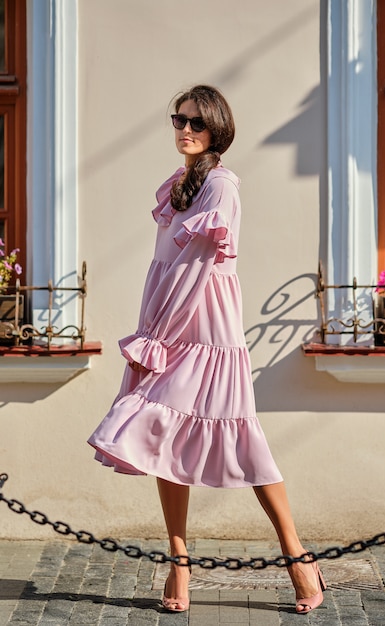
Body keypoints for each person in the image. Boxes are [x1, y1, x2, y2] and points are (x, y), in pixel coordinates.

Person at [88, 85, 326, 615]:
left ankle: (297, 556)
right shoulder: (179, 184)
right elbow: (165, 269)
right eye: (178, 120)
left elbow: (195, 270)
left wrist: (157, 336)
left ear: (217, 128)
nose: (185, 130)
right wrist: (152, 327)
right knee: (162, 435)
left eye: (195, 122)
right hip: (169, 322)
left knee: (242, 436)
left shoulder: (221, 186)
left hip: (203, 329)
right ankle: (178, 562)